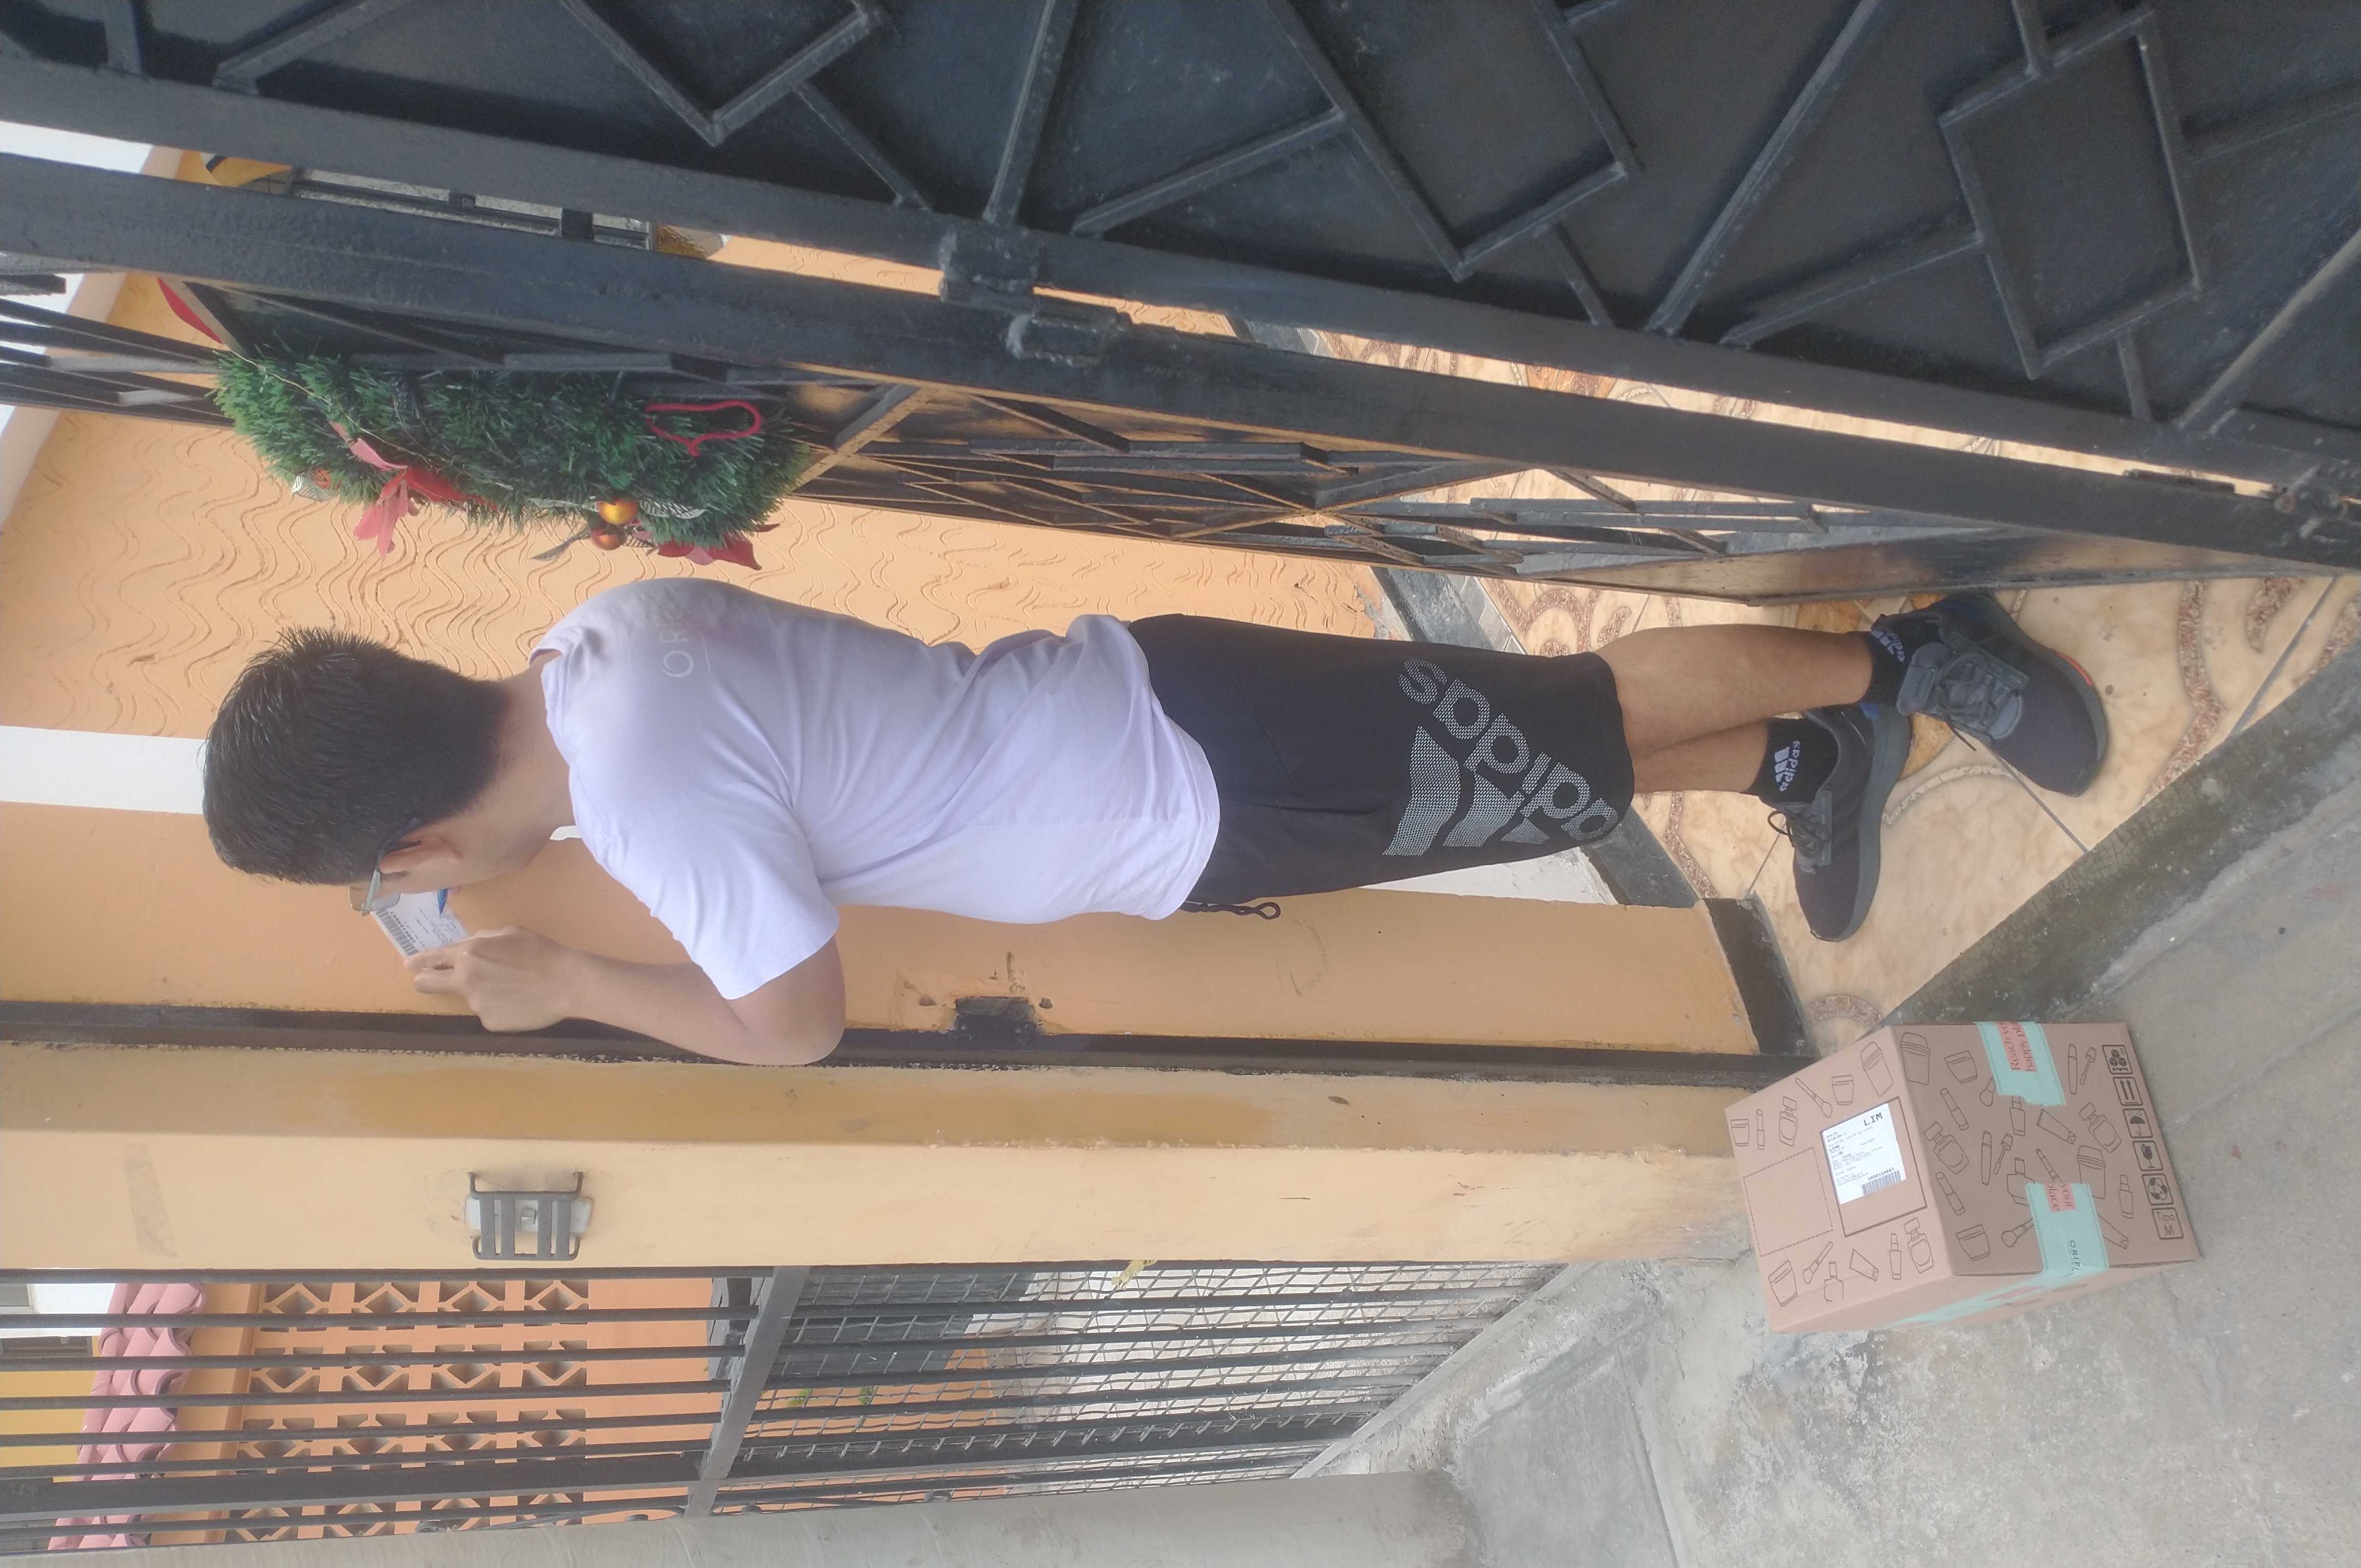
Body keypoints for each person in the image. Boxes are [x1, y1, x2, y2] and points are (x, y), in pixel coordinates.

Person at [202, 581, 2106, 1065]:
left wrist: (568, 987)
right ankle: (1799, 766)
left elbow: (790, 1028)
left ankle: (1905, 661)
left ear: (412, 854)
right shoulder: (600, 645)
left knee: (1573, 716)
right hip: (1174, 737)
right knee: (1534, 773)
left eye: (385, 882)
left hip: (1201, 773)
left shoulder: (640, 801)